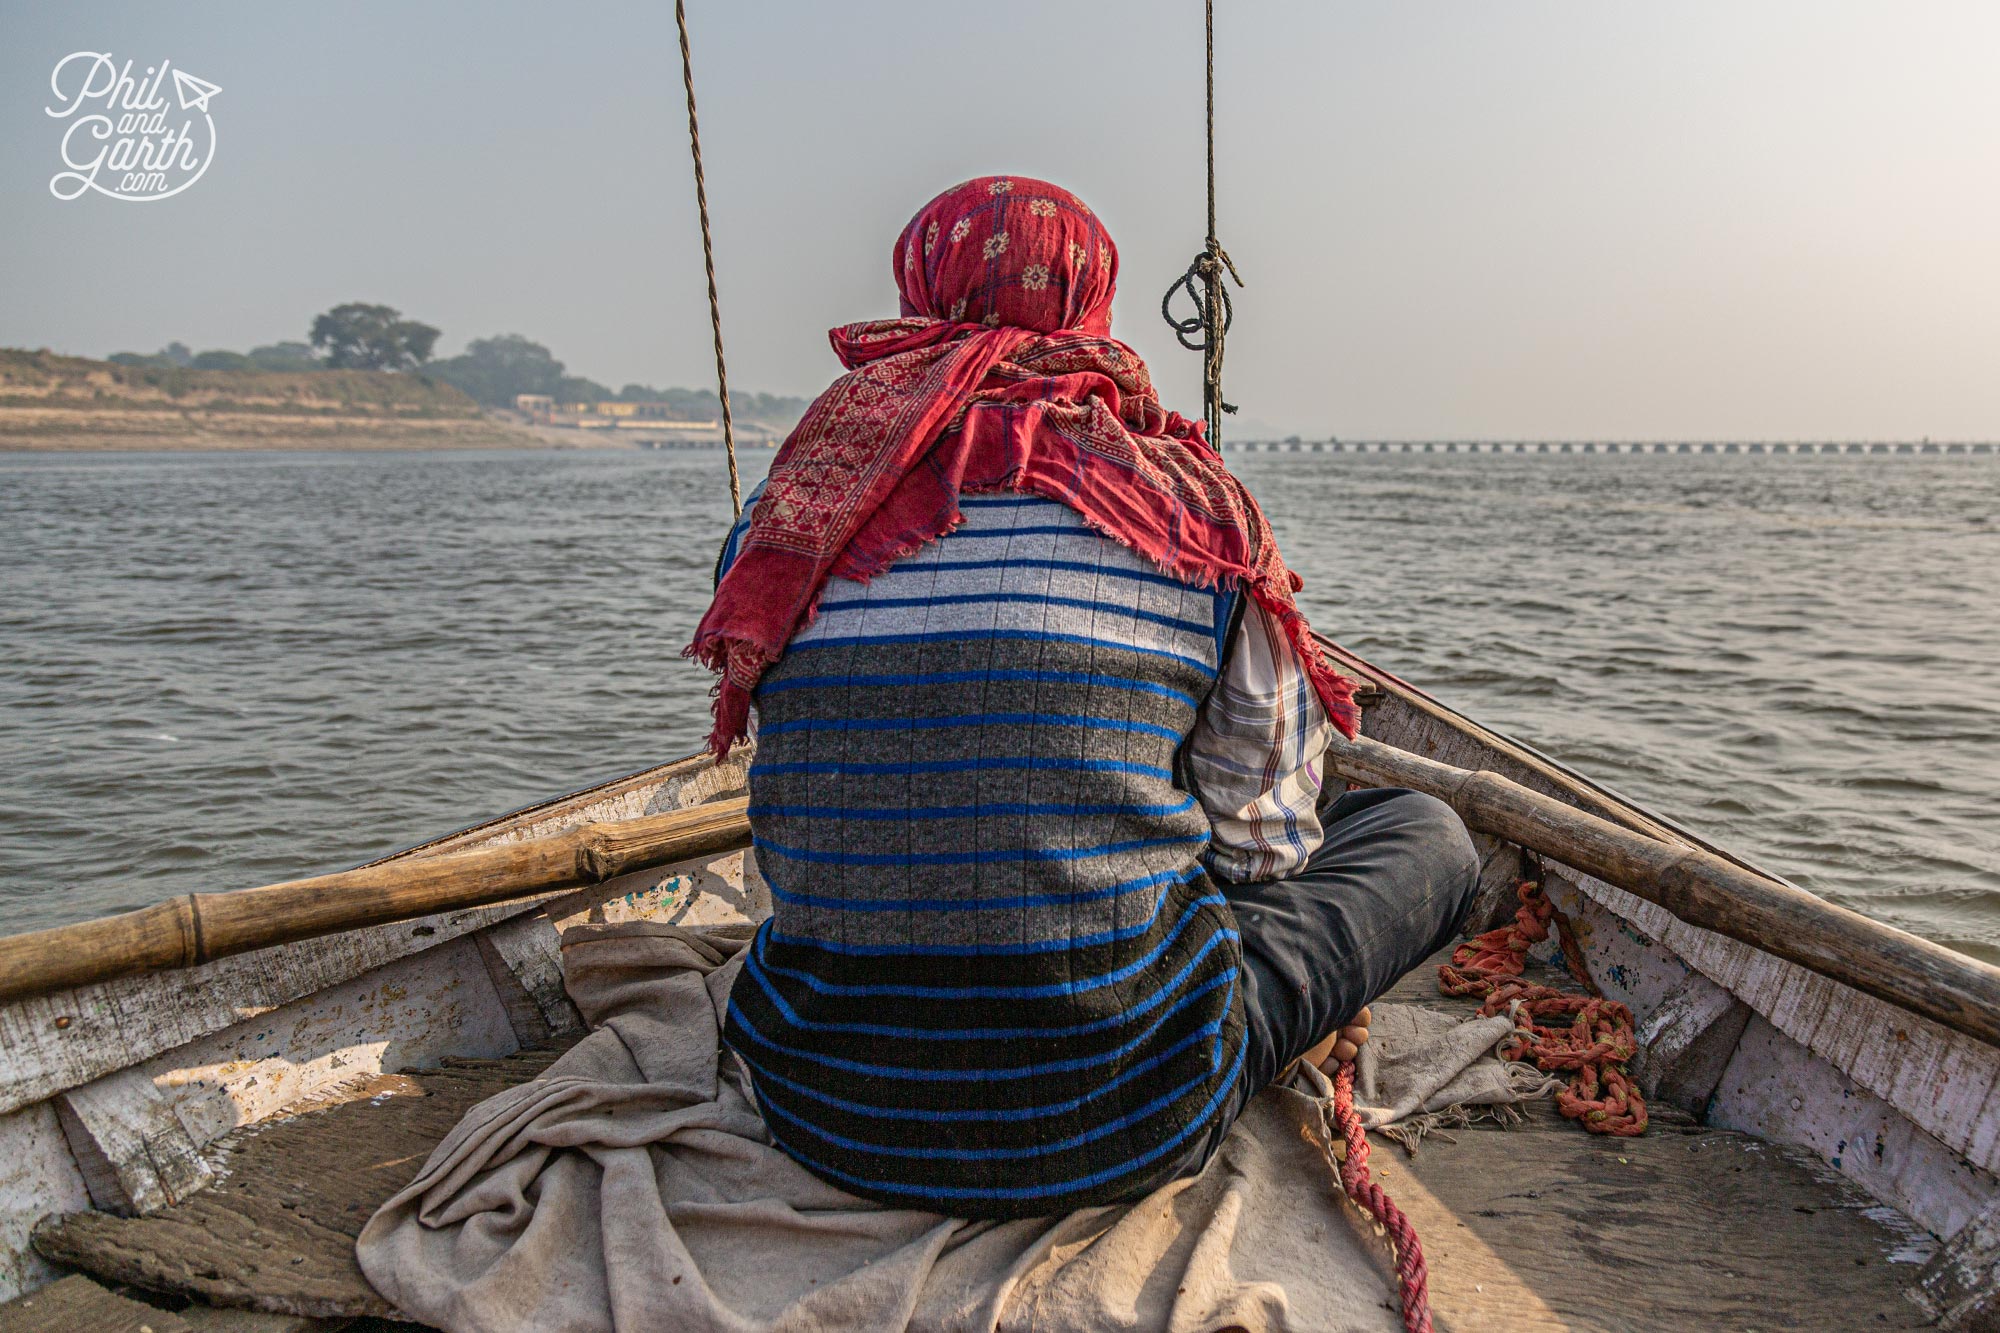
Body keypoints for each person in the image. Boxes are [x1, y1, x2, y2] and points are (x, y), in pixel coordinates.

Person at [688, 176, 1478, 1220]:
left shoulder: (792, 514)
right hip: (1119, 1120)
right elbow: (1260, 853)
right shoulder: (1188, 508)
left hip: (821, 1105)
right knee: (1423, 833)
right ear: (1092, 300)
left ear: (919, 292)